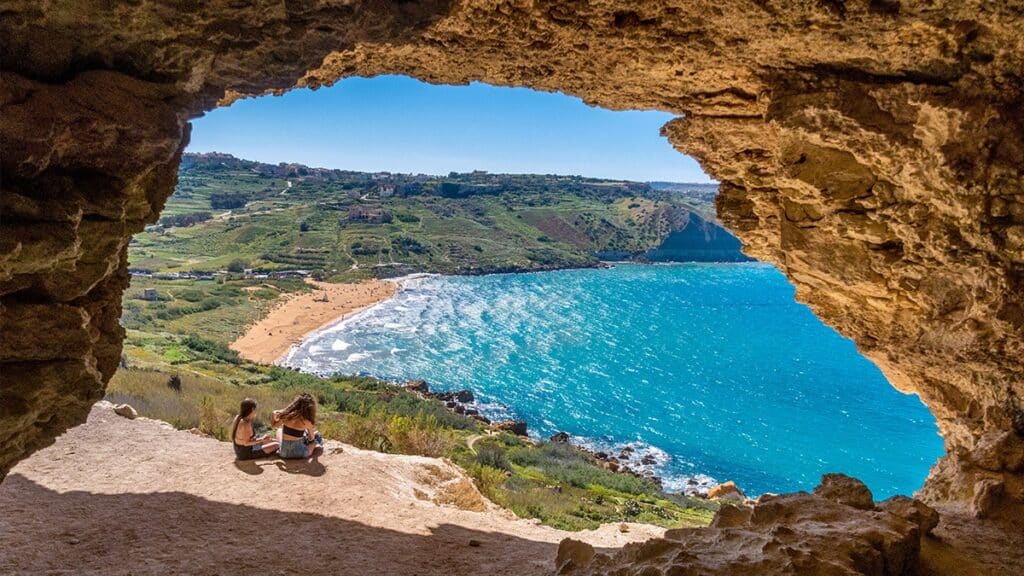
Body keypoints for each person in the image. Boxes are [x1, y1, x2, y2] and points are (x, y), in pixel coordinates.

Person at [271, 393, 324, 459]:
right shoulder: (307, 421)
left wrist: (273, 415)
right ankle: (318, 446)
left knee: (279, 430)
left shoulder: (286, 416)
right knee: (315, 439)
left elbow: (274, 426)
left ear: (295, 404)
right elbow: (311, 438)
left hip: (284, 454)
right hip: (300, 453)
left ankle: (281, 446)